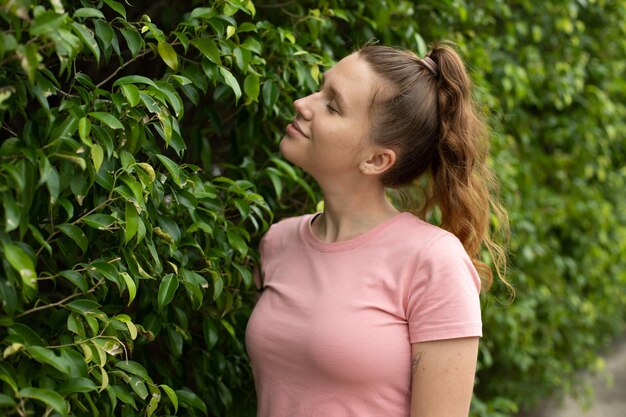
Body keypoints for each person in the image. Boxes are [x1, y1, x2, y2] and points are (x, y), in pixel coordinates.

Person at [245, 42, 509, 417]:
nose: (303, 103)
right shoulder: (278, 242)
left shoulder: (433, 261)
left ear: (375, 159)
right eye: (320, 88)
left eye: (332, 105)